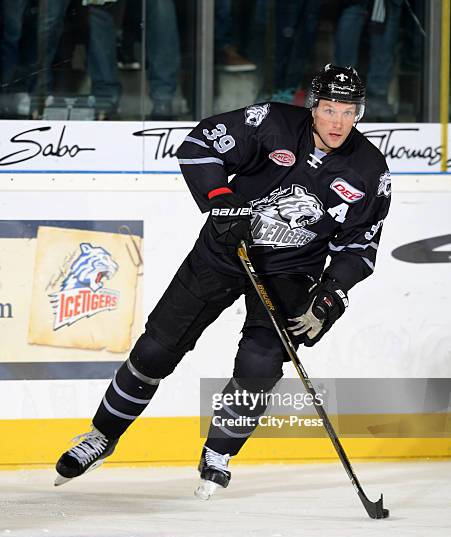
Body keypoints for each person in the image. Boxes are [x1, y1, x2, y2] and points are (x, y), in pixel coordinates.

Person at [54, 64, 391, 499]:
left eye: (348, 112)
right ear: (313, 107)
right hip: (222, 253)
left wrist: (330, 295)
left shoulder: (370, 170)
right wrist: (221, 201)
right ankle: (101, 436)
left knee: (259, 367)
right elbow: (199, 144)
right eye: (329, 109)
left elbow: (360, 248)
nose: (338, 122)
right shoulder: (270, 122)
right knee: (157, 349)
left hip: (291, 272)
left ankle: (218, 452)